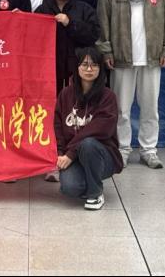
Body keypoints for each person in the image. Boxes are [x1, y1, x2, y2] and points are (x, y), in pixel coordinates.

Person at [96, 0, 165, 170]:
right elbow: (103, 21)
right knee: (121, 109)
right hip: (121, 57)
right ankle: (122, 150)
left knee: (150, 108)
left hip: (152, 56)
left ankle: (149, 150)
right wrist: (107, 50)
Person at [37, 0, 100, 182]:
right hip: (49, 72)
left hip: (78, 72)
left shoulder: (84, 8)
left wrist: (69, 23)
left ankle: (76, 156)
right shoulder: (42, 10)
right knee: (51, 115)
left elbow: (93, 34)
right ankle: (51, 159)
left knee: (76, 114)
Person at [54, 47, 123, 210]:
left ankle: (95, 193)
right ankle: (90, 179)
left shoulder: (108, 96)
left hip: (102, 155)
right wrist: (61, 153)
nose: (89, 69)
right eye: (84, 64)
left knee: (88, 143)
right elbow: (57, 125)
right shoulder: (65, 94)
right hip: (73, 156)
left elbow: (101, 129)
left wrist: (70, 153)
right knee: (70, 188)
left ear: (100, 68)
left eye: (94, 65)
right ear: (77, 67)